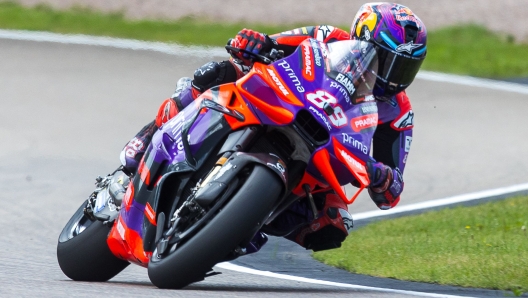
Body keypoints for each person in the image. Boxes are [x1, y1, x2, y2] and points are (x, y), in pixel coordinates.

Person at [119, 2, 427, 251]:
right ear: (362, 39)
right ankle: (150, 136)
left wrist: (382, 176)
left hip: (324, 154)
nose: (394, 75)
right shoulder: (328, 37)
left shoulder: (399, 112)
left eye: (406, 67)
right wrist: (254, 42)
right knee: (221, 72)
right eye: (389, 61)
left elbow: (392, 192)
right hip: (284, 103)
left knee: (333, 224)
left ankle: (235, 230)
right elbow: (272, 43)